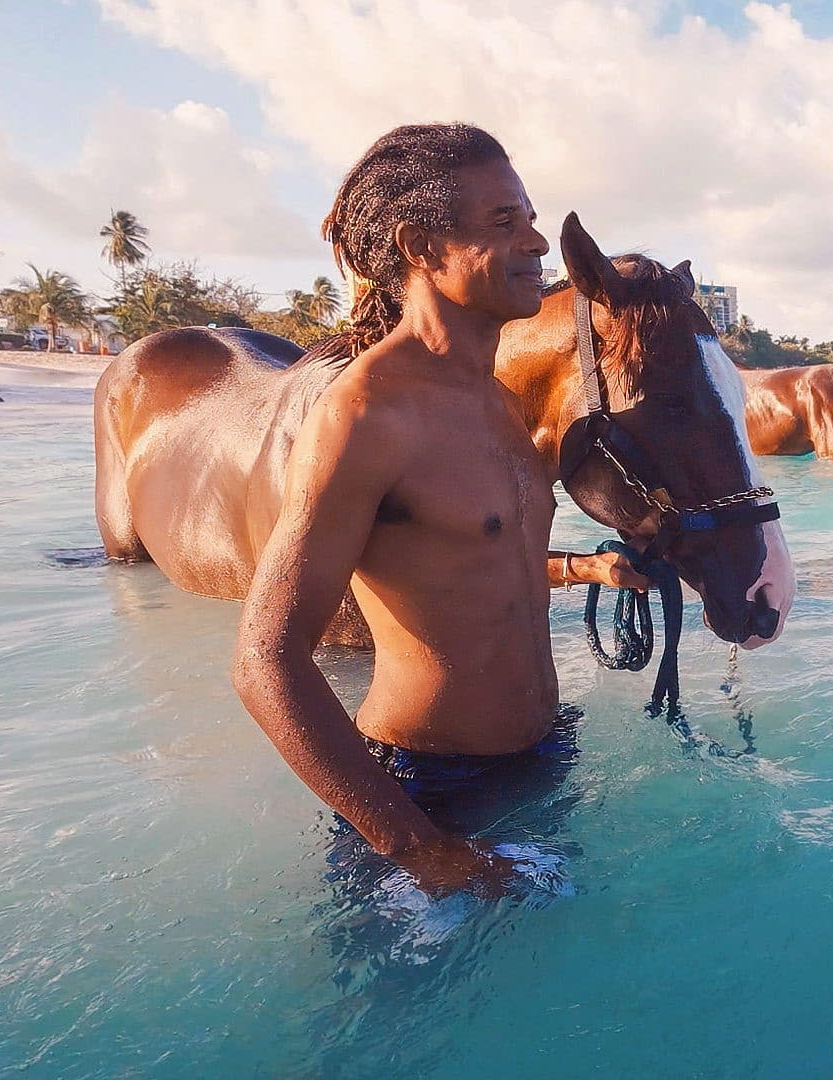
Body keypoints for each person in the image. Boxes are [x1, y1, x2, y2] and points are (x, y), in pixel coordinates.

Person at [230, 123, 641, 899]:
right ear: (421, 247)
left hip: (544, 758)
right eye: (504, 221)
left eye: (530, 218)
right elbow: (265, 660)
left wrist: (589, 568)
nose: (537, 242)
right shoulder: (366, 415)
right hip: (425, 792)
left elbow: (472, 558)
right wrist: (423, 849)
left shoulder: (497, 403)